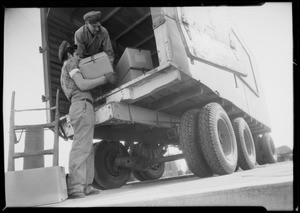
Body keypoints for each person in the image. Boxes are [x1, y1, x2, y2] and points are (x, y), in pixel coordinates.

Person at [58, 40, 117, 199]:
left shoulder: (69, 67)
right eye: (77, 54)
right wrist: (105, 78)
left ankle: (85, 186)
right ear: (70, 54)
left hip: (83, 105)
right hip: (81, 105)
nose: (79, 57)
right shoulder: (70, 64)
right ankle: (75, 187)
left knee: (87, 147)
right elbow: (83, 85)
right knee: (81, 146)